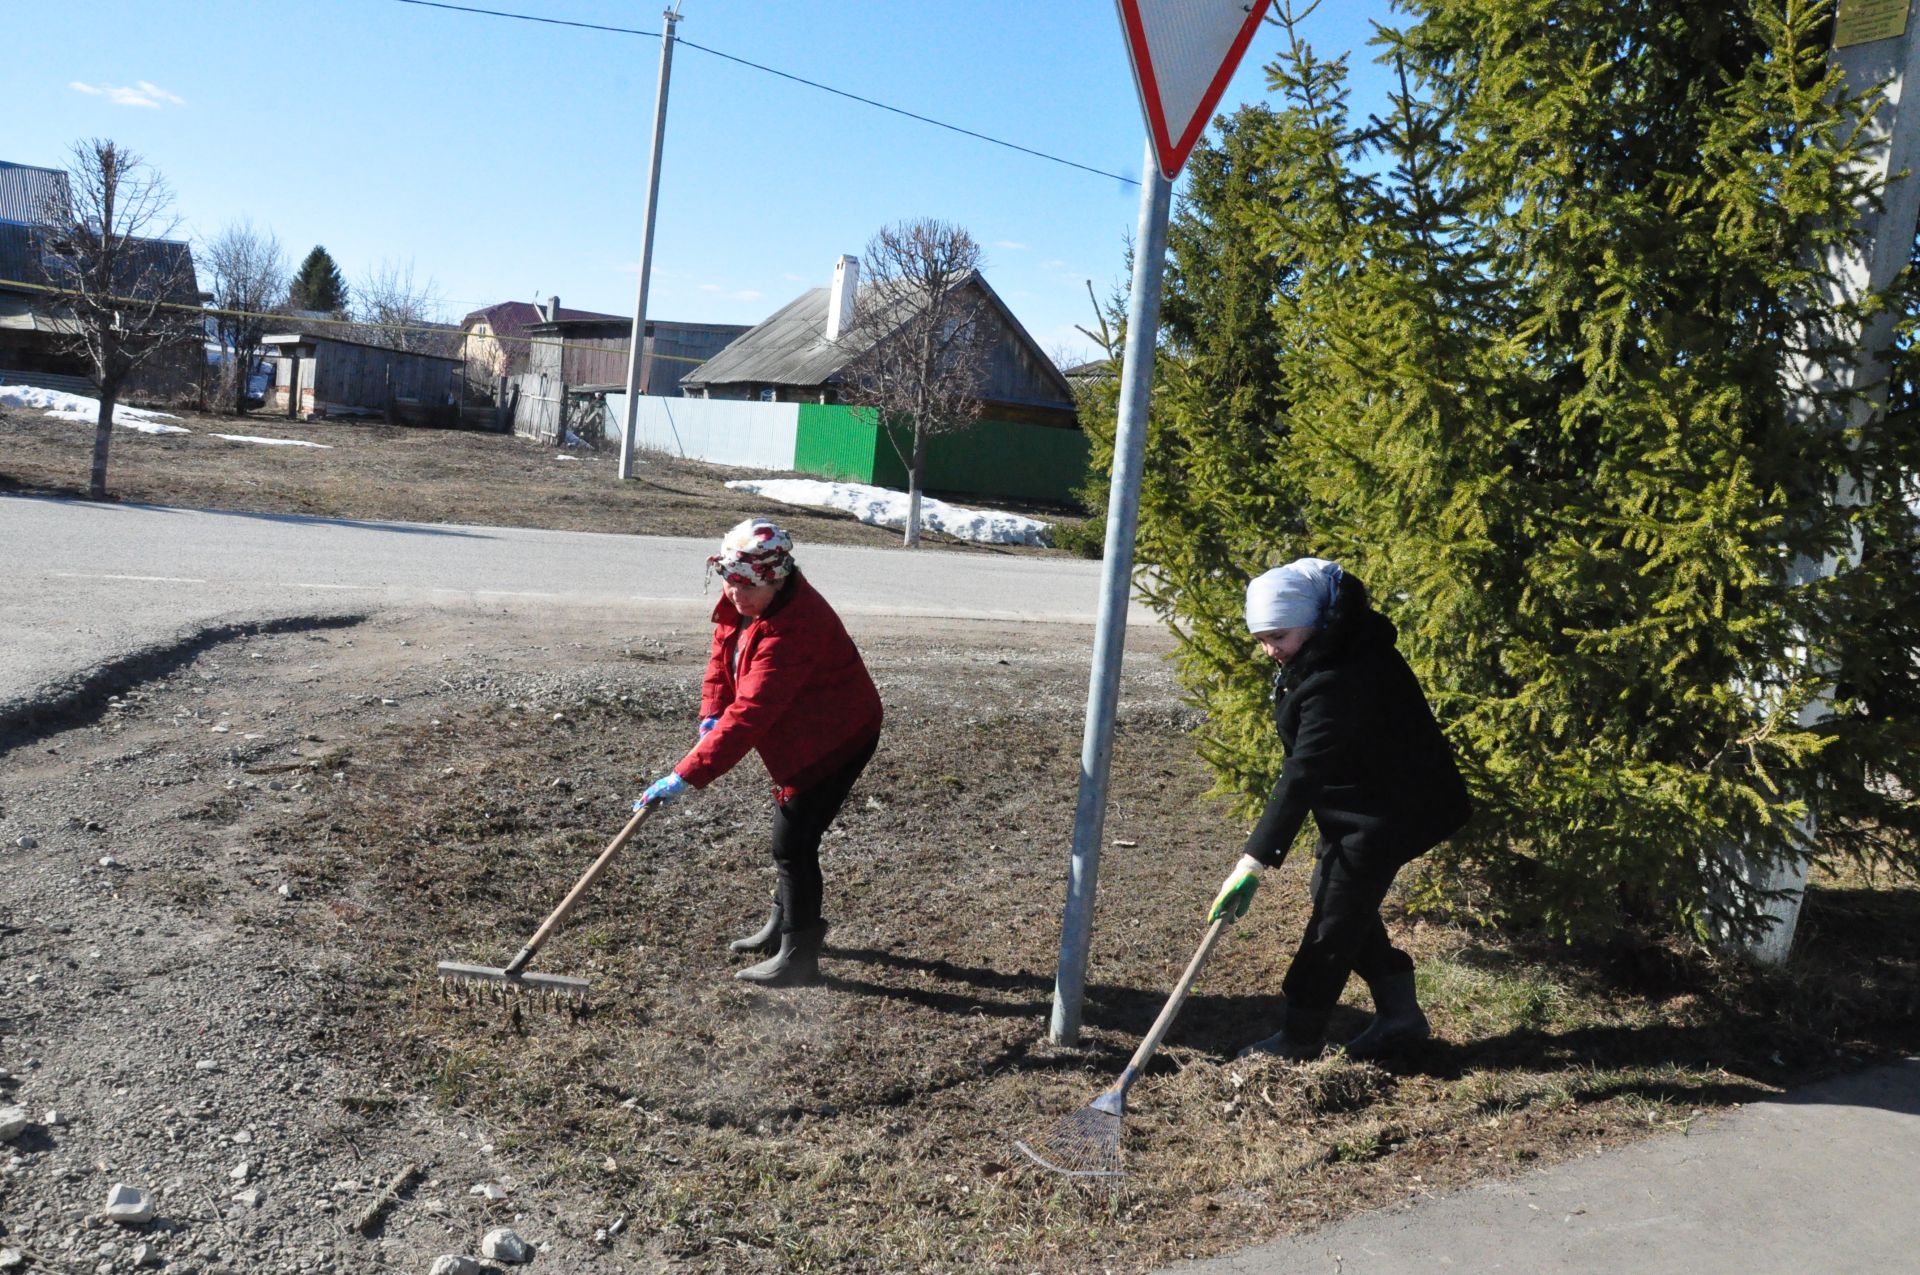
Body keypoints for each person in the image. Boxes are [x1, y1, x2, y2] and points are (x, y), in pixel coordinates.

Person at [1207, 557, 1471, 1060]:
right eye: (1261, 638)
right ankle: (1401, 1016)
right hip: (1364, 799)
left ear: (1314, 620)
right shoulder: (1329, 649)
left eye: (1278, 636)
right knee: (1335, 897)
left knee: (1333, 920)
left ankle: (1299, 1037)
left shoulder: (1340, 673)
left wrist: (1253, 861)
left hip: (1397, 807)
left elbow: (1302, 772)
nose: (1270, 650)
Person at [633, 518, 883, 988]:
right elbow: (721, 653)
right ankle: (780, 927)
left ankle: (799, 955)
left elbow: (751, 712)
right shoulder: (749, 596)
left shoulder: (796, 626)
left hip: (836, 736)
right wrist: (711, 711)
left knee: (793, 844)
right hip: (799, 728)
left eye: (745, 586)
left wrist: (686, 775)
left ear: (777, 577)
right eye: (728, 581)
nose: (734, 595)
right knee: (790, 836)